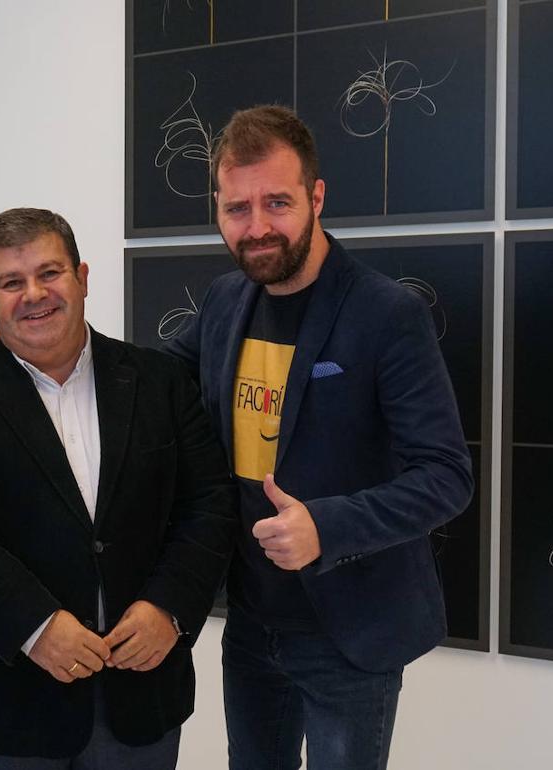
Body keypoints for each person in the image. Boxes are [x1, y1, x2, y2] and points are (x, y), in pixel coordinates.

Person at [164, 105, 474, 768]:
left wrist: (326, 528)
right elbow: (148, 380)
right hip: (250, 622)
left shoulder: (387, 312)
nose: (257, 227)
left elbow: (446, 476)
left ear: (316, 197)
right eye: (237, 208)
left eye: (277, 202)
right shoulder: (224, 301)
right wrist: (46, 350)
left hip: (349, 630)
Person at [0, 208, 237, 769]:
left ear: (81, 277)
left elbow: (209, 504)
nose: (33, 294)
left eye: (49, 273)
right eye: (12, 282)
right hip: (4, 702)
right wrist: (34, 625)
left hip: (140, 692)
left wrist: (169, 607)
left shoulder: (161, 382)